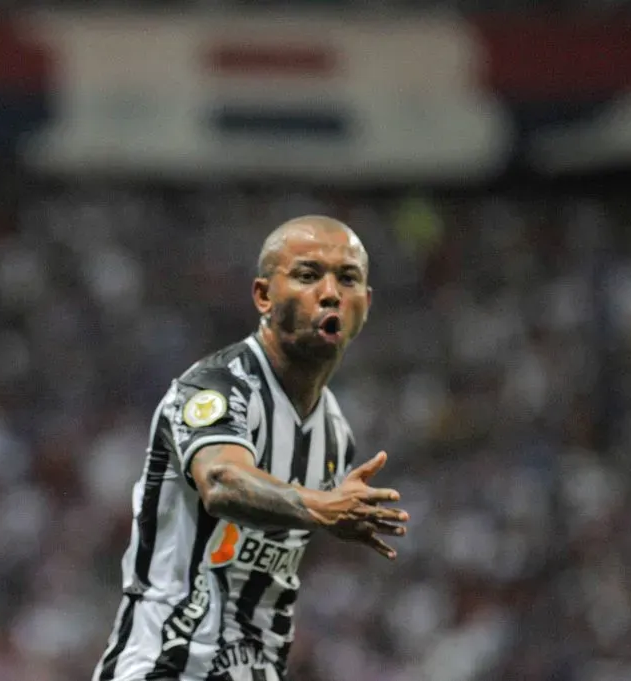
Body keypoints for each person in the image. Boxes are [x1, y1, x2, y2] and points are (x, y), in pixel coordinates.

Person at [94, 216, 409, 681]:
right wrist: (321, 506)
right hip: (165, 667)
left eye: (347, 278)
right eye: (307, 275)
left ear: (366, 302)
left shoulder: (335, 431)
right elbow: (221, 481)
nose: (329, 292)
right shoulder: (216, 387)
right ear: (263, 295)